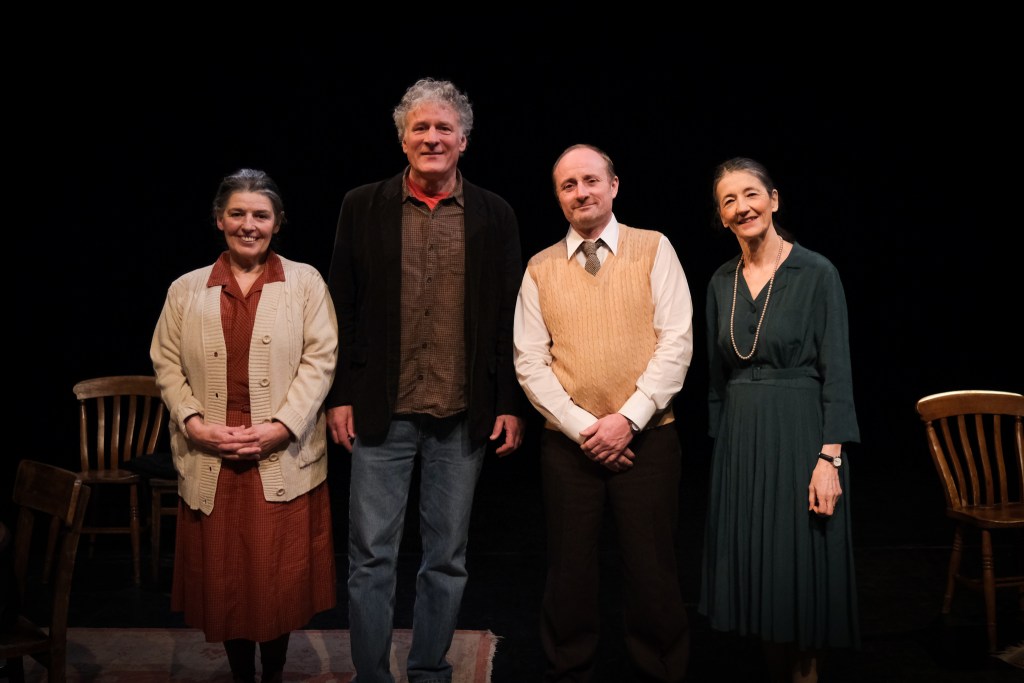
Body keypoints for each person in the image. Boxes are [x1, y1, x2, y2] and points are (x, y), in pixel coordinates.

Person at [326, 77, 525, 683]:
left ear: (463, 139)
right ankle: (372, 675)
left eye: (443, 128)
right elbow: (342, 307)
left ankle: (429, 669)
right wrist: (339, 395)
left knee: (446, 559)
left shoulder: (494, 213)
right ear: (402, 138)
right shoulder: (362, 205)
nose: (432, 137)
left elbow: (509, 316)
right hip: (381, 412)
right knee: (370, 558)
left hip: (463, 414)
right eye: (421, 127)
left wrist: (510, 403)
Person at [514, 143, 694, 682]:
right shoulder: (540, 268)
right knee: (569, 571)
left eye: (590, 180)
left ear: (613, 186)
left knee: (652, 567)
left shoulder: (654, 248)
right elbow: (529, 361)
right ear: (558, 197)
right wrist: (585, 429)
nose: (580, 192)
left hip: (649, 438)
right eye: (568, 185)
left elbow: (676, 343)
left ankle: (661, 669)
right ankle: (570, 668)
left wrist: (627, 421)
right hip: (569, 447)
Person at [151, 168, 338, 683]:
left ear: (277, 223)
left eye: (260, 215)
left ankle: (273, 674)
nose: (248, 225)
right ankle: (241, 676)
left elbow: (320, 360)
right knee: (227, 584)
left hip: (277, 452)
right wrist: (193, 422)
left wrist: (282, 426)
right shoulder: (186, 289)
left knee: (274, 583)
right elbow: (166, 362)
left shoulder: (305, 283)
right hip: (212, 451)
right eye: (237, 214)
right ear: (219, 219)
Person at [698, 157, 860, 683]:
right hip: (742, 446)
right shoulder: (721, 282)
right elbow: (716, 383)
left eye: (750, 194)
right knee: (760, 588)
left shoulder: (816, 272)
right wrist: (725, 456)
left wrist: (829, 457)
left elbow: (837, 371)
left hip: (800, 440)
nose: (741, 206)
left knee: (799, 578)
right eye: (729, 201)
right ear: (721, 217)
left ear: (773, 200)